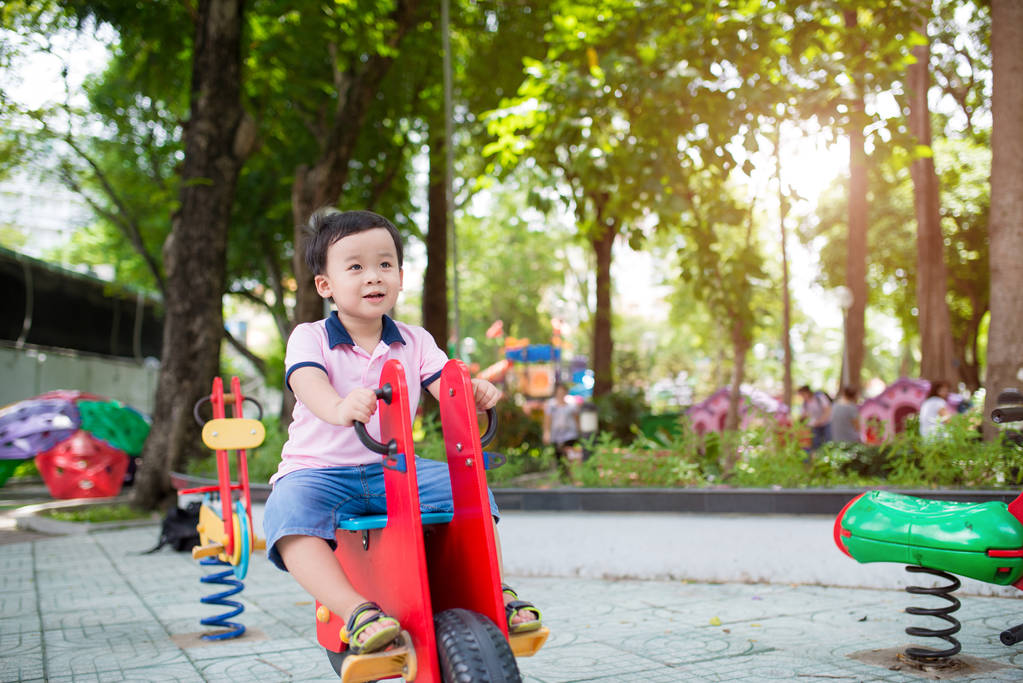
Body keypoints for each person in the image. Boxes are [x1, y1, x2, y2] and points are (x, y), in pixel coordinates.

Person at [262, 209, 541, 655]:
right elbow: (308, 383)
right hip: (320, 471)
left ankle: (494, 591)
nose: (373, 276)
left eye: (384, 264)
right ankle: (356, 612)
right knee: (286, 511)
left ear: (400, 276)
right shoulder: (309, 336)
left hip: (391, 467)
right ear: (325, 285)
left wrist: (472, 391)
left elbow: (445, 384)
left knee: (469, 486)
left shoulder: (414, 340)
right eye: (355, 266)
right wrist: (339, 406)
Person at [543, 383, 581, 480]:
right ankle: (563, 477)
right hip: (556, 435)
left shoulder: (571, 405)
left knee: (569, 455)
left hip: (570, 435)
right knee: (559, 456)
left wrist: (580, 431)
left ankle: (570, 476)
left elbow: (576, 419)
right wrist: (546, 433)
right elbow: (547, 420)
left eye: (563, 391)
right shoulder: (551, 405)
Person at [797, 385, 832, 452]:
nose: (802, 396)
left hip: (826, 423)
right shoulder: (805, 403)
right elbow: (804, 416)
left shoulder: (820, 398)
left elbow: (828, 410)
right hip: (815, 426)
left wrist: (820, 420)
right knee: (816, 443)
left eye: (803, 394)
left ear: (807, 392)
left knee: (828, 442)